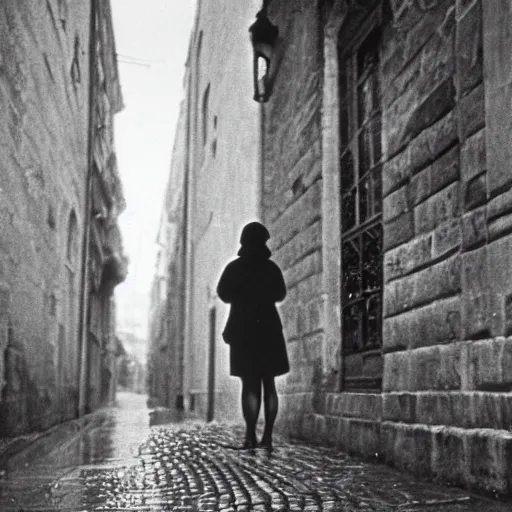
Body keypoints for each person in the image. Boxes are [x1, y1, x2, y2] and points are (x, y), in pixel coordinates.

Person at [217, 221, 289, 449]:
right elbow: (280, 294)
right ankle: (267, 437)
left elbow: (223, 294)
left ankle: (250, 435)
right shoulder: (271, 268)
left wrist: (243, 294)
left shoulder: (234, 268)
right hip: (268, 329)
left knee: (249, 384)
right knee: (269, 383)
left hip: (243, 330)